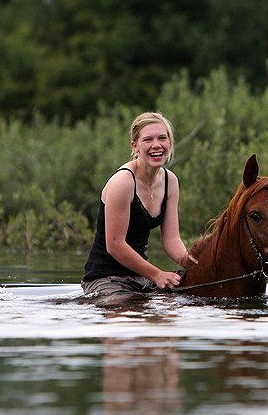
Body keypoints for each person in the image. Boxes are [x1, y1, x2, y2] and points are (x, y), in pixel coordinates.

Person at [82, 112, 196, 296]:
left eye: (162, 138)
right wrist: (157, 275)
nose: (156, 145)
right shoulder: (123, 182)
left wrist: (195, 265)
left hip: (141, 278)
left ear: (170, 143)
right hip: (104, 278)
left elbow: (171, 240)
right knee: (129, 314)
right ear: (135, 146)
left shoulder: (170, 181)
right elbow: (115, 245)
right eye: (148, 140)